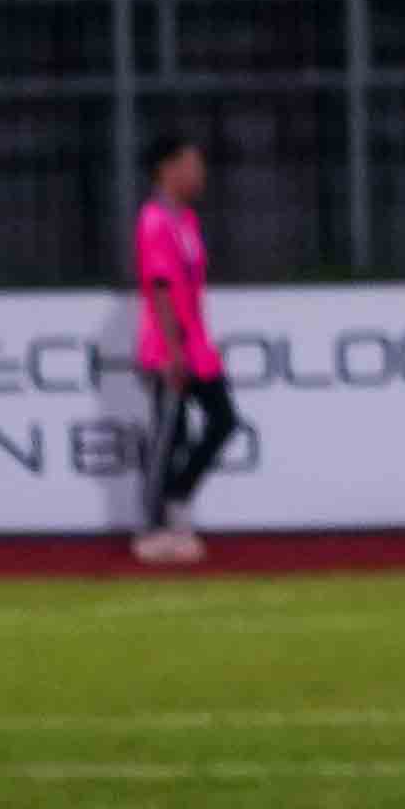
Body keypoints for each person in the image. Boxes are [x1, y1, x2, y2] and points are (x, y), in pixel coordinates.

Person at [127, 128, 237, 567]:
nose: (200, 173)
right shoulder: (154, 220)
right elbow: (159, 287)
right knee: (169, 437)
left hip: (197, 345)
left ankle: (178, 499)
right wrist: (173, 350)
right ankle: (153, 528)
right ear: (167, 169)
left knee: (223, 421)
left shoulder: (186, 220)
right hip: (168, 348)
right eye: (192, 164)